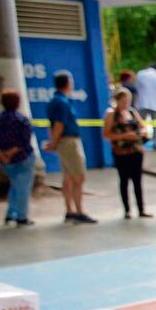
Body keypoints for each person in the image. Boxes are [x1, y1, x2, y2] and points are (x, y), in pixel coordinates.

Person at [45, 72, 95, 224]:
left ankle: (70, 210)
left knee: (67, 177)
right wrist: (54, 142)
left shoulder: (54, 101)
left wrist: (53, 141)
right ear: (67, 83)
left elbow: (51, 125)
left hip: (63, 142)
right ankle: (78, 211)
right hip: (68, 141)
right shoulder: (62, 103)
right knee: (78, 176)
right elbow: (59, 124)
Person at [0, 89, 35, 226]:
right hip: (23, 158)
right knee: (23, 188)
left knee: (15, 186)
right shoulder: (22, 120)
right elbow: (24, 141)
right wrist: (11, 152)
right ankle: (22, 216)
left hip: (5, 162)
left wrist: (3, 154)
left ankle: (11, 213)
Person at [103, 87, 150, 219]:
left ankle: (141, 209)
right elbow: (106, 134)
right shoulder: (111, 114)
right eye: (123, 100)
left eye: (128, 100)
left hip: (136, 151)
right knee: (124, 180)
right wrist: (124, 136)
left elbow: (143, 127)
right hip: (121, 153)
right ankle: (127, 209)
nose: (126, 103)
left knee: (137, 181)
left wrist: (140, 133)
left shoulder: (132, 112)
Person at [135, 63, 156, 149]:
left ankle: (138, 142)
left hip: (143, 103)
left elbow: (137, 88)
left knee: (140, 124)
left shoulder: (141, 74)